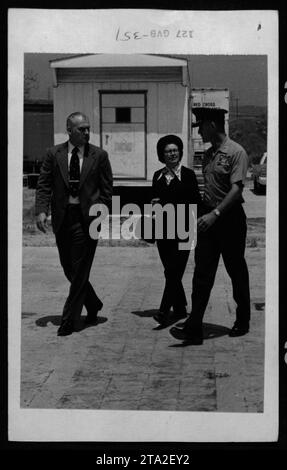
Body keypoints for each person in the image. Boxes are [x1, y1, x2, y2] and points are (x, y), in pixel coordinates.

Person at [170, 107, 251, 344]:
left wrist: (215, 213)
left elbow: (237, 190)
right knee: (202, 274)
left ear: (212, 125)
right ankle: (195, 326)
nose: (200, 131)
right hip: (209, 218)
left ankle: (243, 319)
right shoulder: (208, 154)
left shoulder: (237, 152)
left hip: (230, 219)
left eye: (201, 126)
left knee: (236, 271)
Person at [35, 112, 113, 336]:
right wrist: (41, 210)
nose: (87, 133)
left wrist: (101, 212)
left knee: (79, 269)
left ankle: (69, 319)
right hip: (63, 217)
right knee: (68, 267)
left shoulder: (99, 155)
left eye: (88, 128)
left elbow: (107, 190)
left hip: (87, 219)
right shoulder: (54, 154)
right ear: (69, 130)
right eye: (82, 129)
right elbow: (44, 184)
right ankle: (93, 302)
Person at [151, 135, 202, 326]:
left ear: (180, 152)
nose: (172, 154)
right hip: (163, 232)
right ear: (162, 155)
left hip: (184, 230)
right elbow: (154, 200)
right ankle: (180, 307)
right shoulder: (158, 176)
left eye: (175, 150)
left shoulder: (188, 175)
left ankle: (164, 311)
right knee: (170, 271)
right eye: (167, 151)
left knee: (174, 271)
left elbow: (195, 202)